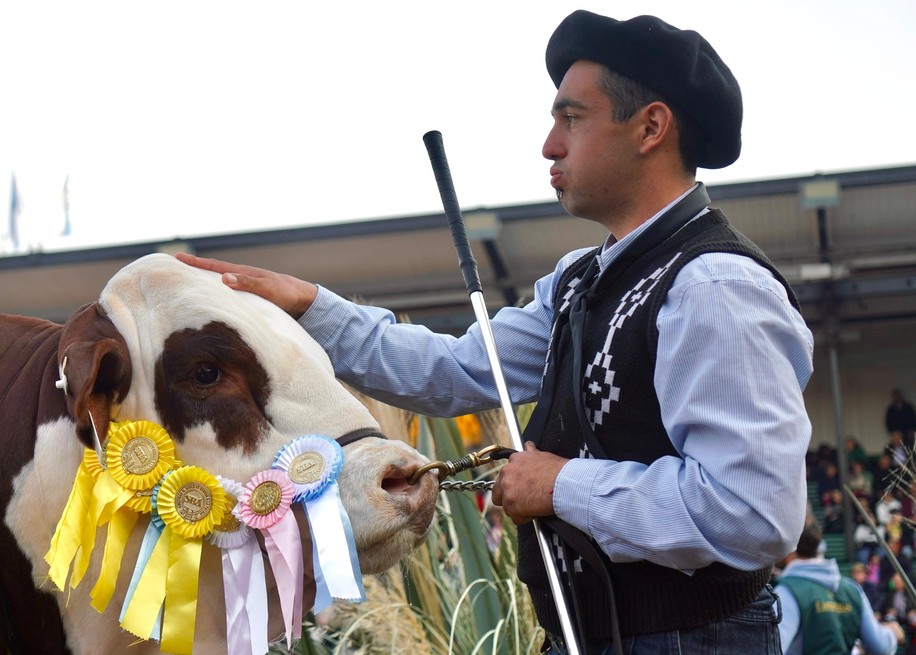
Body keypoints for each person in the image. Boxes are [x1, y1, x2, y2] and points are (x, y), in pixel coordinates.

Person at [178, 9, 813, 653]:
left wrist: (560, 484)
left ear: (651, 126)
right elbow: (453, 371)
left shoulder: (716, 287)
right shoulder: (580, 279)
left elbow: (751, 512)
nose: (550, 144)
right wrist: (311, 306)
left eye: (572, 118)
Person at [776, 513, 902, 655]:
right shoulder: (853, 590)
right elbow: (880, 645)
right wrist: (892, 632)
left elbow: (771, 648)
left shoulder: (787, 592)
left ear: (790, 546)